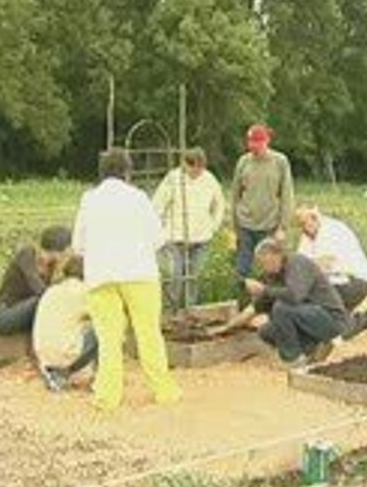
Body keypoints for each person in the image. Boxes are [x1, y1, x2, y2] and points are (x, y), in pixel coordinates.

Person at [72, 148, 180, 411]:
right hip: (139, 273)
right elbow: (158, 238)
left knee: (109, 339)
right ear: (127, 172)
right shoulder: (139, 198)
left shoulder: (89, 199)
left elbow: (78, 245)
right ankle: (164, 391)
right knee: (148, 333)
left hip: (100, 276)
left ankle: (107, 397)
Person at [214, 239, 367, 366]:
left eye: (264, 262)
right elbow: (254, 308)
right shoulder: (273, 275)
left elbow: (295, 295)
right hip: (308, 320)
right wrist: (225, 328)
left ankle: (293, 359)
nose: (263, 267)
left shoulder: (297, 264)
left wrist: (263, 290)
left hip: (329, 317)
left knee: (282, 308)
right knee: (266, 331)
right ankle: (312, 349)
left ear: (275, 255)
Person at [152, 147, 226, 313]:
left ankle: (190, 311)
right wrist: (160, 231)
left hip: (201, 239)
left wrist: (213, 227)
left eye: (199, 167)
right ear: (185, 164)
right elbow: (158, 206)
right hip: (175, 238)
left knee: (194, 277)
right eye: (192, 167)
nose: (196, 171)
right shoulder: (173, 179)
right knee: (176, 276)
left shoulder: (209, 179)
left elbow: (219, 204)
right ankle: (172, 311)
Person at [231, 124, 295, 296]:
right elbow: (235, 195)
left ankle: (267, 307)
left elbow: (287, 195)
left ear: (267, 141)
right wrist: (234, 226)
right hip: (245, 224)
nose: (253, 146)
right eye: (250, 142)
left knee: (270, 270)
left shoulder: (280, 161)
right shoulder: (243, 162)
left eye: (257, 142)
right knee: (242, 269)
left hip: (269, 225)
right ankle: (242, 306)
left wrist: (283, 227)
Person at [33, 255, 98, 392]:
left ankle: (56, 373)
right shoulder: (84, 291)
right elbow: (102, 316)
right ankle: (100, 380)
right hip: (65, 353)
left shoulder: (52, 290)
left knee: (73, 325)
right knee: (105, 328)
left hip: (43, 355)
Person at [0, 226, 71, 336]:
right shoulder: (27, 255)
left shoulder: (53, 266)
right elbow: (38, 288)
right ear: (57, 252)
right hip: (6, 315)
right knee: (44, 299)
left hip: (28, 315)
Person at [296, 205, 367, 311]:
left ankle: (364, 317)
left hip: (354, 282)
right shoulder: (307, 234)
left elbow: (325, 264)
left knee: (315, 299)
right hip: (336, 280)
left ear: (315, 218)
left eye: (304, 223)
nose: (302, 228)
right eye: (299, 224)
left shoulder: (330, 231)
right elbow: (301, 262)